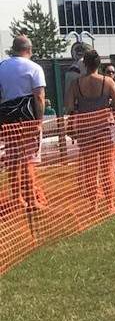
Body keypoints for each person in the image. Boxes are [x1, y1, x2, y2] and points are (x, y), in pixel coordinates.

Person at [65, 49, 115, 215]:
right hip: (104, 128)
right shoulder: (107, 81)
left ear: (84, 64)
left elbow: (69, 107)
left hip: (85, 129)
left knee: (90, 169)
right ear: (99, 64)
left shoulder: (75, 84)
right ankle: (110, 205)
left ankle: (93, 205)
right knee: (107, 168)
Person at [0, 36, 47, 213]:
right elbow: (39, 97)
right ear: (30, 49)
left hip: (7, 118)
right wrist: (39, 122)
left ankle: (17, 198)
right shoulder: (34, 68)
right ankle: (30, 200)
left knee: (12, 157)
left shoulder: (2, 67)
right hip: (27, 118)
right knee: (27, 158)